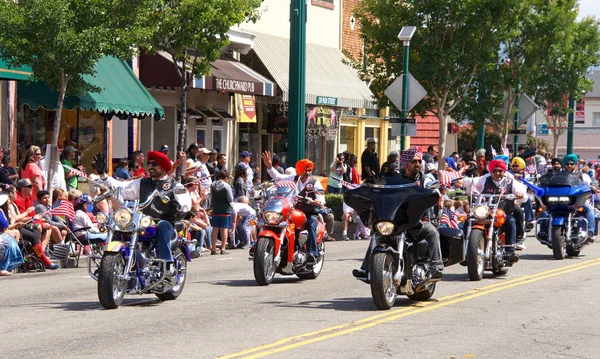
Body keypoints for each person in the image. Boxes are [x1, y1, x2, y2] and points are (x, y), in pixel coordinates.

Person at [93, 151, 191, 277]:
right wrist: (103, 175)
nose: (150, 166)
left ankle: (167, 264)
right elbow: (120, 187)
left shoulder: (174, 185)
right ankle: (108, 266)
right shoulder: (142, 183)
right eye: (149, 163)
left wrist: (179, 205)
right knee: (120, 227)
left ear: (163, 166)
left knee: (163, 225)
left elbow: (186, 203)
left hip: (164, 220)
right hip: (143, 221)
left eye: (154, 163)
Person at [353, 146, 444, 280]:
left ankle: (436, 267)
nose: (417, 164)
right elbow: (381, 188)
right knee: (376, 233)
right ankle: (366, 269)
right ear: (406, 164)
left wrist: (434, 192)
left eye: (419, 162)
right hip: (396, 220)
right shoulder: (395, 178)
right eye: (414, 161)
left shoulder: (424, 180)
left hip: (417, 221)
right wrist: (366, 189)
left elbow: (434, 192)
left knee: (432, 231)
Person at [456, 159, 526, 262]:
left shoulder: (510, 181)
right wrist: (462, 182)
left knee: (511, 221)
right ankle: (465, 250)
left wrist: (520, 194)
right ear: (491, 171)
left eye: (500, 171)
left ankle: (510, 252)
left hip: (503, 213)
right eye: (494, 171)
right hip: (486, 212)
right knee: (469, 220)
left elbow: (521, 191)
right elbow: (472, 181)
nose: (497, 173)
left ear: (504, 171)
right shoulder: (485, 179)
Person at [262, 151, 325, 264]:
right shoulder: (292, 178)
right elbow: (277, 176)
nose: (308, 173)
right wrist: (269, 166)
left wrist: (318, 201)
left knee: (311, 224)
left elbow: (321, 197)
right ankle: (259, 245)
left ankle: (311, 253)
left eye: (309, 170)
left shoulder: (314, 183)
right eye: (305, 170)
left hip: (308, 212)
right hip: (291, 211)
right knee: (267, 220)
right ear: (300, 170)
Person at [3, 184, 58, 270]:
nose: (16, 194)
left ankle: (38, 256)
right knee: (33, 235)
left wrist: (33, 217)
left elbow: (16, 218)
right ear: (10, 194)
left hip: (19, 225)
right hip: (13, 227)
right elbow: (15, 218)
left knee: (36, 232)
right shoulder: (7, 205)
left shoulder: (12, 204)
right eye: (14, 192)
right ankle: (43, 260)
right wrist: (27, 212)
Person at [209, 169, 234, 255]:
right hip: (225, 209)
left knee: (215, 228)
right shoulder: (226, 186)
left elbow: (211, 196)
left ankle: (213, 248)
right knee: (224, 228)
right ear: (226, 177)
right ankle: (223, 248)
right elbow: (230, 199)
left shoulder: (212, 185)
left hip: (216, 209)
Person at [0, 193, 23, 276]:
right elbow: (4, 225)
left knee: (13, 235)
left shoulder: (1, 211)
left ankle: (7, 265)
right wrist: (15, 224)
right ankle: (2, 267)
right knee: (8, 240)